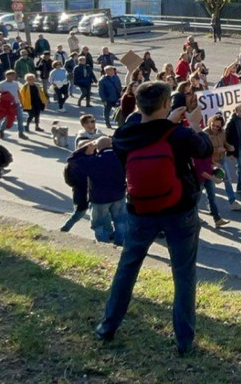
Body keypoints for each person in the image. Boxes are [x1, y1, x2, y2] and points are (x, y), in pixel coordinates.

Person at [96, 80, 214, 355]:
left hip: (140, 211)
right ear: (166, 105)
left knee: (128, 267)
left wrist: (166, 121)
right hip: (179, 211)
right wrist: (195, 125)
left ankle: (107, 327)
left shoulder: (125, 135)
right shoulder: (178, 134)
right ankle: (184, 341)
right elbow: (204, 150)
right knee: (184, 273)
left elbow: (144, 131)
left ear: (138, 106)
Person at [67, 136, 131, 242]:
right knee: (121, 222)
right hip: (119, 196)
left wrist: (83, 149)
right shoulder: (121, 158)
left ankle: (104, 244)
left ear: (97, 148)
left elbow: (73, 161)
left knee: (99, 224)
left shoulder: (93, 161)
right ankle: (120, 244)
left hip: (99, 199)